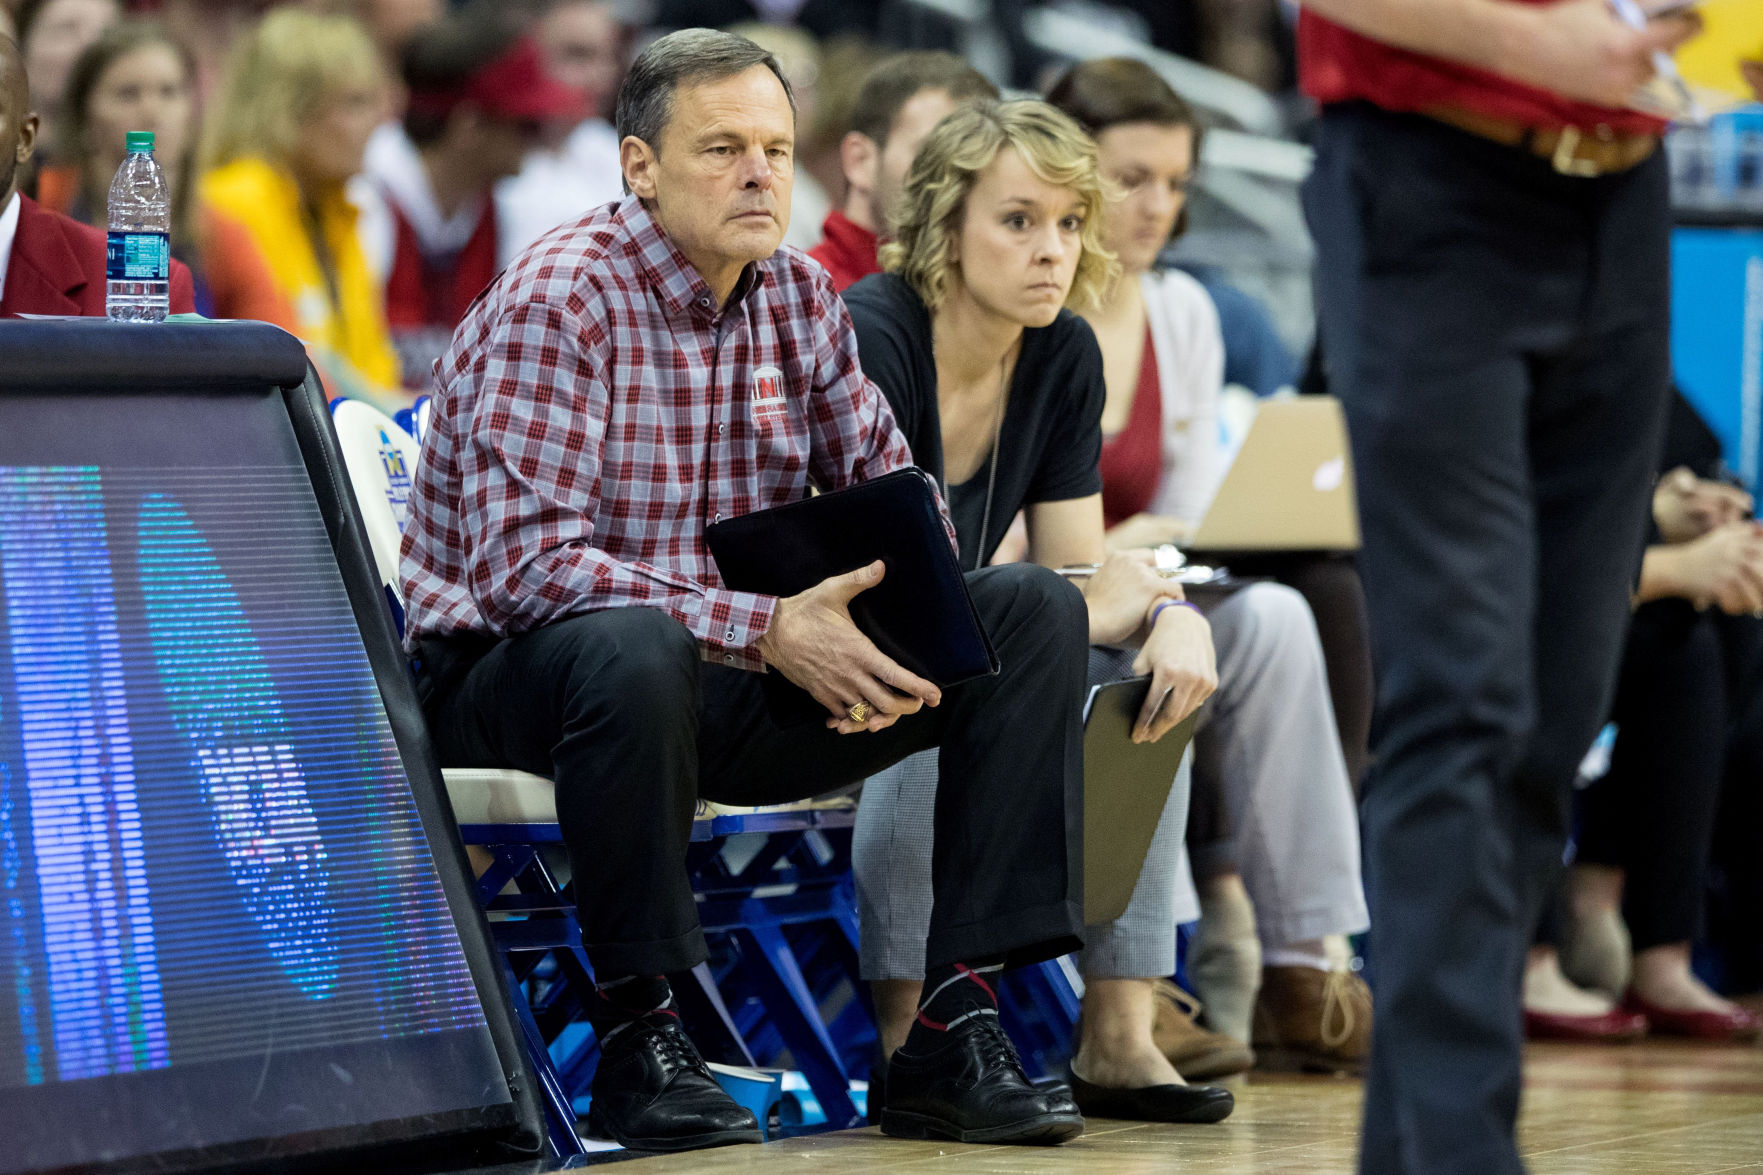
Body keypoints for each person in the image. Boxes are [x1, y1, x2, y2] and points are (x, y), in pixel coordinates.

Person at [402, 29, 1095, 1153]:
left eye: (774, 148)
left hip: (725, 674)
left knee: (1025, 613)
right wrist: (766, 625)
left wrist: (895, 617)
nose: (760, 173)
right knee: (629, 644)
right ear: (639, 166)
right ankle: (635, 1032)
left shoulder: (800, 300)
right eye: (722, 148)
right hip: (514, 681)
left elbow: (890, 501)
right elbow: (529, 574)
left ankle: (949, 1021)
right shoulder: (560, 298)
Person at [844, 97, 1368, 1121]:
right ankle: (913, 1043)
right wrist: (1093, 605)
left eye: (1069, 223)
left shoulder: (1059, 350)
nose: (1051, 250)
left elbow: (1077, 569)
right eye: (1018, 220)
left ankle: (1119, 1034)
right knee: (933, 679)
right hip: (847, 645)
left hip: (983, 631)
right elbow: (892, 589)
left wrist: (1165, 610)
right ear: (945, 227)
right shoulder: (875, 331)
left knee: (1139, 679)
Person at [1295, 0, 1705, 1170]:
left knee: (1555, 708)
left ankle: (1413, 1146)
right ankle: (1465, 1149)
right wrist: (1537, 45)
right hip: (1431, 174)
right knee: (1463, 694)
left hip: (1625, 188)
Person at [1043, 54, 1375, 1074]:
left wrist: (1157, 544)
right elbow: (1009, 524)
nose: (1156, 207)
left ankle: (1301, 958)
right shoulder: (1028, 304)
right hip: (1057, 596)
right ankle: (1151, 975)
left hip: (1151, 579)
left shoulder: (1180, 310)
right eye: (1133, 178)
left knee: (1276, 614)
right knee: (1153, 652)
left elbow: (1184, 500)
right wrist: (1131, 546)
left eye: (1177, 184)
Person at [1539, 393, 1763, 1044]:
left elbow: (1677, 449)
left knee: (1703, 635)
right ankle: (1539, 944)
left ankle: (1651, 937)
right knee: (1664, 628)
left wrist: (1683, 510)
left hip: (1589, 591)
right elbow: (1520, 548)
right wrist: (1659, 556)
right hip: (1501, 608)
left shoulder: (1628, 359)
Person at [359, 10, 583, 387]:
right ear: (470, 125)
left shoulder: (503, 210)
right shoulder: (365, 199)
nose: (540, 140)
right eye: (526, 124)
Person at [197, 9, 400, 404]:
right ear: (289, 110)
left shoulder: (341, 208)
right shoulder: (235, 200)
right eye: (355, 103)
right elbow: (293, 356)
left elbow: (373, 367)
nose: (376, 123)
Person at [1, 31, 193, 317]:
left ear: (25, 139)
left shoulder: (139, 289)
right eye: (129, 94)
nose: (152, 111)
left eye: (168, 92)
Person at [807, 50, 996, 291]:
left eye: (977, 159)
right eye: (932, 154)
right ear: (860, 160)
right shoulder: (805, 297)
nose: (958, 178)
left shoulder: (979, 295)